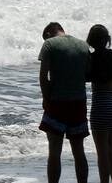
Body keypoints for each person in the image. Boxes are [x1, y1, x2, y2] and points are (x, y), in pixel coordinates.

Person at [38, 21, 91, 183]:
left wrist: (46, 98)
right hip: (78, 103)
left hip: (57, 103)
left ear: (48, 34)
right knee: (78, 151)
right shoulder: (83, 46)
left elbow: (43, 76)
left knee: (54, 151)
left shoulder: (49, 44)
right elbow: (88, 75)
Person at [86, 24, 112, 183]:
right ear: (107, 40)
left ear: (90, 41)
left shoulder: (91, 58)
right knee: (111, 152)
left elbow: (86, 78)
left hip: (100, 106)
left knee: (102, 153)